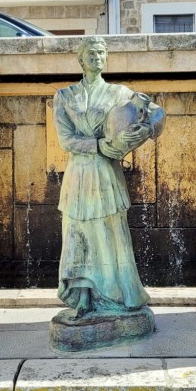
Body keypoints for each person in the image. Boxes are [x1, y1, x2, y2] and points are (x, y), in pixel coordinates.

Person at [53, 37, 164, 320]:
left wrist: (147, 129)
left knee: (111, 232)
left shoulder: (119, 93)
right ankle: (84, 297)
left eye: (101, 53)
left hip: (106, 173)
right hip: (79, 175)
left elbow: (156, 113)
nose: (97, 57)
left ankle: (121, 296)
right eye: (91, 53)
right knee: (78, 235)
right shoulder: (65, 96)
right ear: (81, 59)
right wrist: (99, 145)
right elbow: (66, 140)